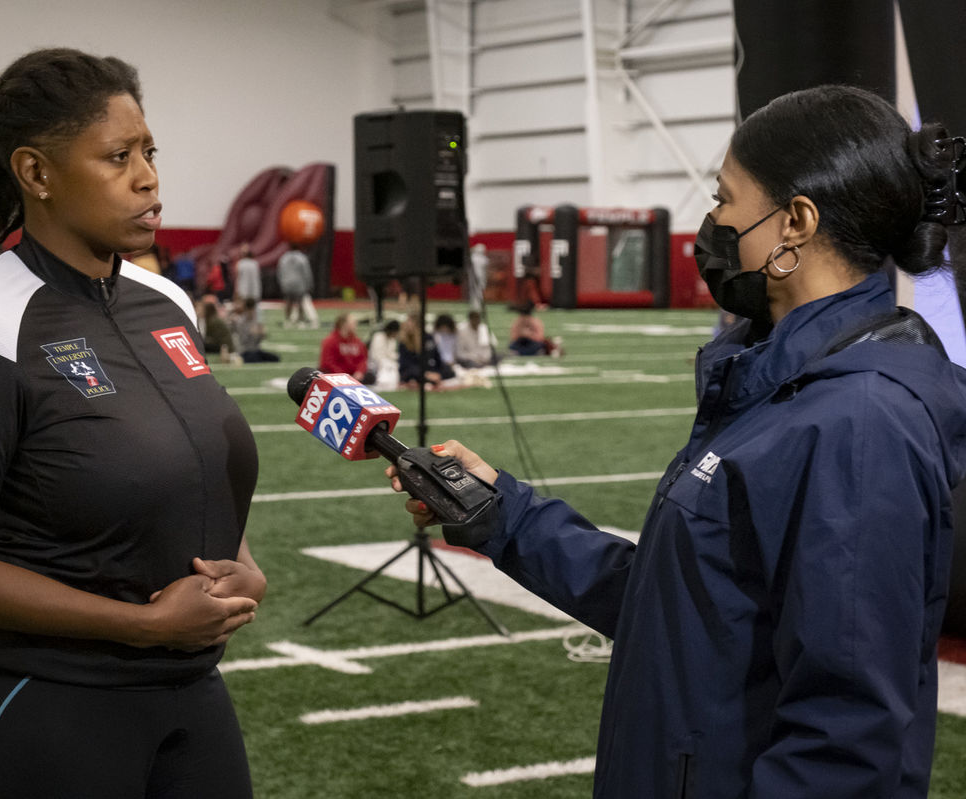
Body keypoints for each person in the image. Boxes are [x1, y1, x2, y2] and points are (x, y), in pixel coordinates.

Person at [387, 85, 966, 798]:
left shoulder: (859, 422)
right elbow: (682, 602)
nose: (713, 222)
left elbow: (844, 739)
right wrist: (502, 514)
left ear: (796, 223)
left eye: (725, 198)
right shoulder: (785, 383)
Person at [0, 48, 264, 799]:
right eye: (118, 156)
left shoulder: (168, 302)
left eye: (150, 152)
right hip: (39, 703)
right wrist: (142, 626)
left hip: (190, 691)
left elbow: (190, 465)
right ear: (37, 173)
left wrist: (240, 564)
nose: (148, 177)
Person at [397, 312, 452, 389]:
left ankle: (433, 378)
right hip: (414, 373)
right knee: (412, 374)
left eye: (410, 322)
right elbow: (405, 366)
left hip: (430, 371)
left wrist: (438, 374)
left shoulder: (428, 338)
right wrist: (426, 374)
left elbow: (437, 359)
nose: (408, 325)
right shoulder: (404, 342)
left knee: (449, 370)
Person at [318, 312, 368, 382]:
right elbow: (327, 363)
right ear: (344, 324)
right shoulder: (330, 341)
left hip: (352, 374)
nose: (355, 325)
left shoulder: (357, 341)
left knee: (370, 376)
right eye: (353, 323)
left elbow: (362, 359)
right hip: (336, 375)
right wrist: (343, 375)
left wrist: (359, 372)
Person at [277, 242, 317, 328]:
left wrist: (281, 282)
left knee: (288, 303)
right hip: (299, 284)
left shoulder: (284, 258)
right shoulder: (302, 258)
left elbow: (279, 271)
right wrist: (309, 284)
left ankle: (287, 320)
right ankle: (300, 321)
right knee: (300, 303)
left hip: (287, 283)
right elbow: (307, 272)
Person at [230, 298, 278, 363]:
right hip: (245, 351)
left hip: (256, 350)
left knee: (275, 358)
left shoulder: (255, 321)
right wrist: (252, 333)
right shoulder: (241, 322)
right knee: (254, 359)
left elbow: (260, 340)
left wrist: (262, 333)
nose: (252, 312)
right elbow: (243, 340)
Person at [366, 319, 401, 389]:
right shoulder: (378, 337)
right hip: (375, 364)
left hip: (388, 364)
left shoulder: (392, 340)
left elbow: (391, 354)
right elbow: (375, 355)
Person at [233, 243, 261, 320]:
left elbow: (237, 278)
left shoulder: (240, 264)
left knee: (245, 312)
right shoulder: (255, 263)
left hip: (244, 290)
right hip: (253, 291)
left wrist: (236, 291)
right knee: (252, 312)